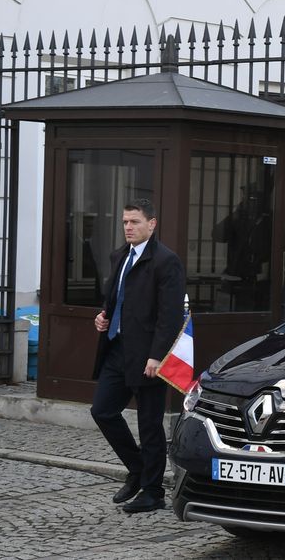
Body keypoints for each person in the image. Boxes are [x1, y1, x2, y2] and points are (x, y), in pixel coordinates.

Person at [91, 198, 186, 514]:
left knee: (150, 425)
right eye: (125, 222)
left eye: (134, 222)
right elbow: (116, 299)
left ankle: (153, 491)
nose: (128, 227)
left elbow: (169, 316)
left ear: (152, 224)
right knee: (103, 411)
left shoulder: (165, 261)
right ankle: (137, 469)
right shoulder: (120, 256)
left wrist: (157, 355)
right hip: (117, 349)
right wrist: (103, 317)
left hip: (148, 357)